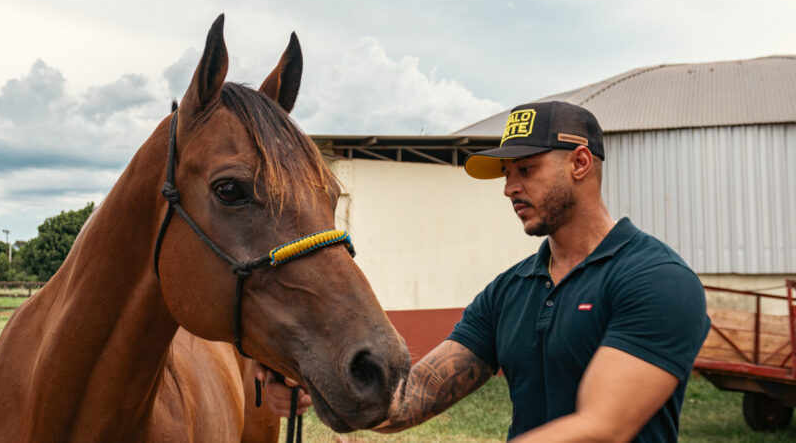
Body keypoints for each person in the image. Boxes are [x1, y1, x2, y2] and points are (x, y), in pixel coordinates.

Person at [259, 101, 710, 442]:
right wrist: (324, 388)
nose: (510, 188)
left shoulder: (657, 279)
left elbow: (601, 427)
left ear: (579, 163)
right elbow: (412, 397)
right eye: (507, 173)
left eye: (527, 169)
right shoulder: (509, 291)